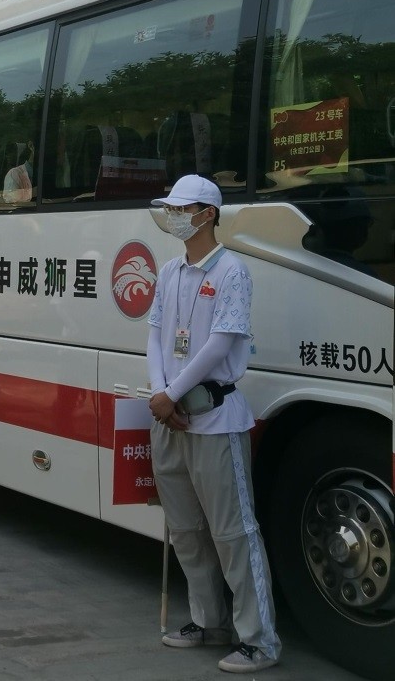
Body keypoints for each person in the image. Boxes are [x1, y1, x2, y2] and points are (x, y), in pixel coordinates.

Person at [147, 175, 280, 674]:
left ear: (208, 214)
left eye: (183, 209)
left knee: (233, 533)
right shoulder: (169, 271)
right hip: (170, 419)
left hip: (215, 420)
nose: (174, 216)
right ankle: (209, 622)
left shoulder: (231, 272)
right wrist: (160, 393)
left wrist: (172, 394)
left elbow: (221, 342)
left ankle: (260, 641)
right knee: (184, 530)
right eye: (171, 208)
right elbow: (155, 335)